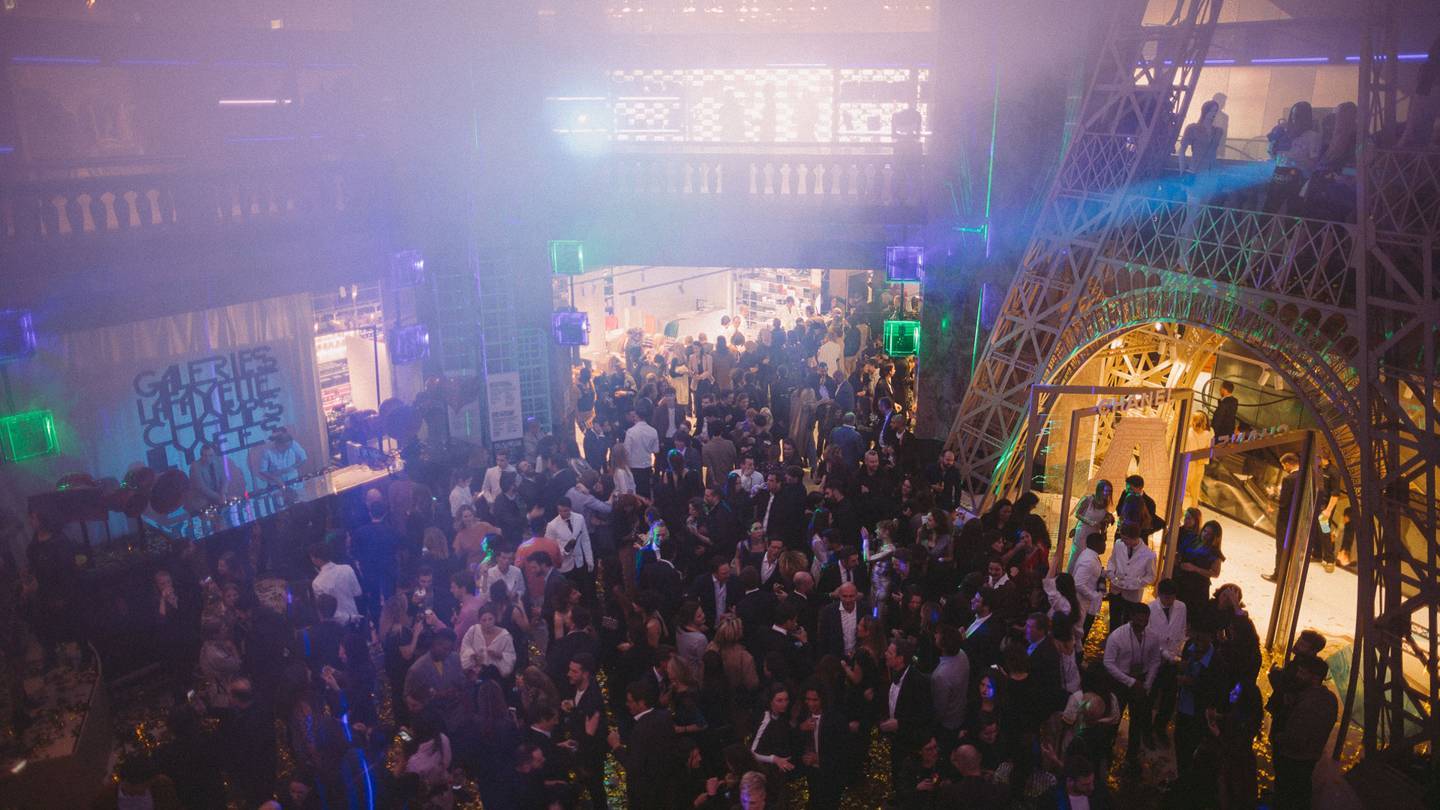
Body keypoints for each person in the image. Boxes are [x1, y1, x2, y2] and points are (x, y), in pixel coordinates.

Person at [1271, 654, 1337, 810]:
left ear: (1315, 678)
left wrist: (1278, 738)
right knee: (1300, 792)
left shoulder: (1308, 704)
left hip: (1293, 758)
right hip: (1310, 757)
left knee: (1285, 794)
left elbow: (1295, 739)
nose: (1297, 676)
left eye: (1302, 673)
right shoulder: (1330, 699)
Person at [1102, 601, 1162, 771]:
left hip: (1141, 682)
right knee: (1114, 718)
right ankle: (1107, 751)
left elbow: (1155, 661)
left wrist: (1147, 683)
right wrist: (1130, 682)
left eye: (1145, 621)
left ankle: (1132, 756)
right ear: (1131, 618)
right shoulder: (1117, 636)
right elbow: (1108, 663)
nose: (1142, 624)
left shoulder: (1152, 637)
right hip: (1120, 682)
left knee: (1137, 720)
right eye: (1139, 620)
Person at [608, 680, 680, 809]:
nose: (627, 704)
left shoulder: (640, 730)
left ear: (641, 703)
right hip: (667, 788)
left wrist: (616, 746)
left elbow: (633, 766)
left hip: (646, 795)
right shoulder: (665, 717)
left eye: (630, 701)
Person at [1264, 452, 1302, 583]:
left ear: (1288, 463)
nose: (1284, 468)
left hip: (1286, 520)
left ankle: (1278, 575)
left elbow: (1284, 502)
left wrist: (1273, 495)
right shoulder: (1305, 477)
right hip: (1300, 519)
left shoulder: (1289, 479)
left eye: (1284, 465)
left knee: (1281, 547)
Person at [309, 543, 363, 626]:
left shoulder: (317, 583)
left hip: (336, 624)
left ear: (316, 559)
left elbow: (325, 609)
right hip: (355, 617)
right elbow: (357, 592)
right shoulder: (347, 569)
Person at [1068, 481, 1114, 571]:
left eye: (1110, 491)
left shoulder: (1105, 504)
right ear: (1099, 490)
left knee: (1089, 559)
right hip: (1082, 532)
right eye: (1106, 490)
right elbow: (1077, 514)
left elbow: (1103, 520)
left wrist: (1106, 522)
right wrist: (1091, 523)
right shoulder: (1088, 499)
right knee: (1076, 558)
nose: (1108, 493)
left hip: (1094, 536)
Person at [625, 407, 661, 498]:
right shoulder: (653, 431)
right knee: (646, 492)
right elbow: (656, 450)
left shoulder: (631, 432)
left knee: (635, 492)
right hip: (647, 465)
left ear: (637, 416)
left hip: (634, 467)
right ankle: (647, 511)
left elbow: (626, 451)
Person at [1183, 412, 1213, 508]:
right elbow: (1208, 450)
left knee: (1183, 490)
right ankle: (1193, 509)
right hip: (1200, 465)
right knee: (1195, 491)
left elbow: (1184, 449)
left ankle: (1181, 510)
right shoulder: (1208, 434)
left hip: (1188, 464)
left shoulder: (1188, 432)